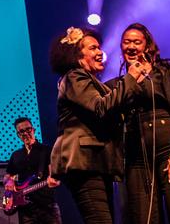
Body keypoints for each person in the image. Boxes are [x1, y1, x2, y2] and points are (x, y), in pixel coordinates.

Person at [48, 27, 145, 223]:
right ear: (77, 54)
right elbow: (101, 107)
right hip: (84, 162)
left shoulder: (90, 81)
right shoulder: (75, 77)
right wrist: (131, 78)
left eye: (99, 47)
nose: (100, 52)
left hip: (96, 162)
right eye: (93, 48)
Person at [109, 23, 170, 224]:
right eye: (126, 42)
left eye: (137, 42)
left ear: (147, 46)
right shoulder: (121, 83)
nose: (131, 46)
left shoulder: (164, 72)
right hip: (137, 160)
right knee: (145, 218)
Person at [3, 117, 61, 224]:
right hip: (26, 210)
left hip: (47, 206)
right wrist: (9, 181)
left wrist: (53, 178)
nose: (25, 133)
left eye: (28, 129)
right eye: (21, 131)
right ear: (18, 135)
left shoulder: (47, 150)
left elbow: (54, 174)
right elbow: (8, 176)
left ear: (33, 130)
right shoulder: (16, 155)